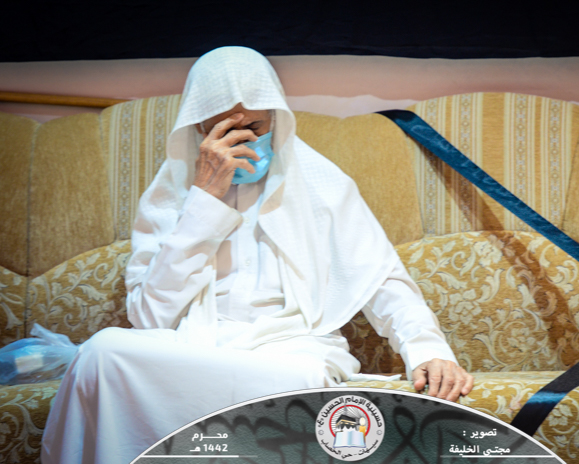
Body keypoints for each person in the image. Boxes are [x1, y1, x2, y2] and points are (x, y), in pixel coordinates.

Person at [41, 46, 473, 464]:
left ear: (276, 120)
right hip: (196, 345)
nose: (244, 141)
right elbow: (150, 317)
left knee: (299, 381)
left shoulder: (323, 183)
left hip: (289, 349)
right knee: (102, 353)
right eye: (225, 130)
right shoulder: (171, 194)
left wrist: (428, 350)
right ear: (198, 130)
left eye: (255, 127)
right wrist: (204, 200)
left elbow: (382, 279)